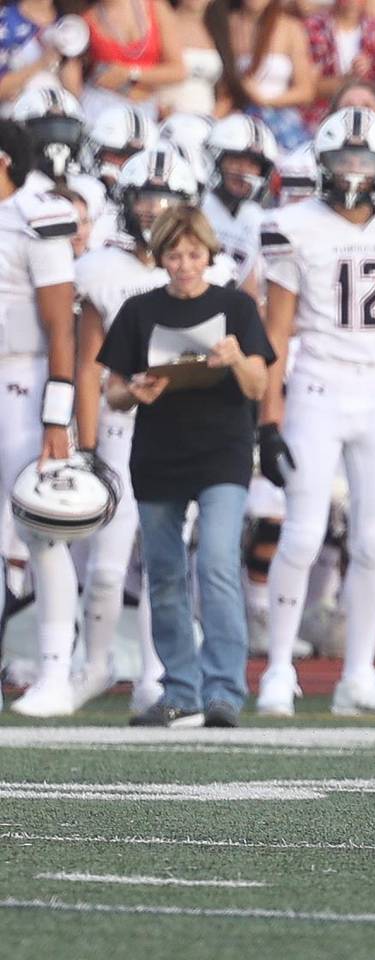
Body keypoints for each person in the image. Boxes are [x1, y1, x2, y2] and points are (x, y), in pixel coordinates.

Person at [253, 106, 375, 718]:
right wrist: (269, 411)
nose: (356, 172)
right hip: (317, 386)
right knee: (304, 531)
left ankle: (357, 676)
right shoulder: (294, 225)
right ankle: (278, 670)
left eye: (366, 161)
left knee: (372, 541)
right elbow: (276, 331)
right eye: (345, 159)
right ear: (323, 164)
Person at [97, 205, 274, 728]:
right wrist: (134, 389)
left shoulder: (235, 308)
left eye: (193, 254)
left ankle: (224, 688)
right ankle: (180, 688)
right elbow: (113, 391)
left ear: (209, 254)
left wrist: (235, 359)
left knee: (217, 562)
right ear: (160, 256)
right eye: (174, 254)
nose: (184, 265)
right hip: (159, 453)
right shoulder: (139, 311)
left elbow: (260, 385)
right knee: (165, 574)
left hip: (223, 450)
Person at [73, 144, 232, 712]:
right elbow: (92, 367)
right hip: (122, 432)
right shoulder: (101, 269)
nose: (153, 209)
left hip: (183, 434)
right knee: (109, 563)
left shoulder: (216, 275)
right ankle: (93, 665)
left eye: (165, 199)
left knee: (169, 564)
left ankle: (160, 677)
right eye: (144, 197)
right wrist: (86, 444)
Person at [0, 117, 84, 717]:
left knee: (43, 530)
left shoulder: (38, 214)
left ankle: (55, 672)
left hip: (24, 383)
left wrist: (57, 418)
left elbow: (62, 327)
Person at [206, 0, 316, 150]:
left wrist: (265, 101)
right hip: (235, 117)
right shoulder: (227, 24)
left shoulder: (290, 27)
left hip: (280, 119)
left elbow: (305, 91)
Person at [201, 112, 276, 300]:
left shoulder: (257, 218)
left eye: (253, 165)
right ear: (216, 159)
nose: (244, 171)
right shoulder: (196, 207)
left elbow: (252, 292)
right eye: (236, 160)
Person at [79, 0, 185, 122]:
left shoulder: (156, 8)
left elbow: (178, 71)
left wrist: (130, 73)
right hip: (102, 107)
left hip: (145, 108)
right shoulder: (88, 18)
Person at [302, 0, 375, 130]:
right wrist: (349, 79)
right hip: (321, 122)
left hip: (370, 123)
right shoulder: (314, 28)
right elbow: (308, 89)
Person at [0, 0, 84, 107]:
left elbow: (75, 93)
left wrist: (65, 56)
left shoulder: (66, 22)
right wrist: (41, 63)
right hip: (17, 110)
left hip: (57, 110)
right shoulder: (5, 19)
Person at [156, 0, 221, 116]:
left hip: (208, 122)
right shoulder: (162, 22)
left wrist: (216, 115)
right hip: (168, 120)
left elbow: (228, 85)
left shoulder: (217, 30)